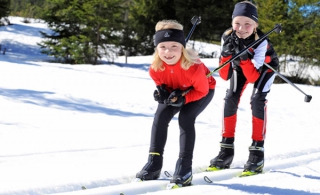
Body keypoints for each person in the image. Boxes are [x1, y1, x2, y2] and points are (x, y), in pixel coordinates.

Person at [135, 19, 216, 187]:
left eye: (174, 46)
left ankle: (184, 167)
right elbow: (163, 84)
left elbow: (202, 90)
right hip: (176, 91)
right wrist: (161, 92)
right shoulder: (155, 68)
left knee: (185, 118)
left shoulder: (193, 67)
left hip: (201, 91)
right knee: (161, 115)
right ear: (157, 49)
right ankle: (154, 162)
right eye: (163, 47)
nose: (168, 52)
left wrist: (184, 99)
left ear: (182, 48)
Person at [206, 1, 279, 176]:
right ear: (232, 22)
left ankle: (257, 153)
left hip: (266, 69)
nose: (241, 28)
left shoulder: (261, 41)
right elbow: (224, 75)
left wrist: (245, 56)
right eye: (237, 23)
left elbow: (254, 76)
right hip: (242, 66)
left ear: (255, 26)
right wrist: (225, 54)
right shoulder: (227, 36)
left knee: (257, 100)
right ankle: (226, 151)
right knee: (230, 97)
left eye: (248, 24)